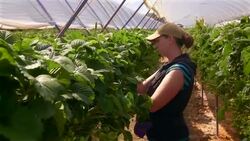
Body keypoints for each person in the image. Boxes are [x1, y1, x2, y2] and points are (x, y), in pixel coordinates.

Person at [135, 23, 197, 141]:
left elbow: (152, 105)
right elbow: (142, 87)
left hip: (170, 135)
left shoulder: (178, 70)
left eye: (157, 41)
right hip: (159, 134)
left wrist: (122, 105)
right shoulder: (168, 65)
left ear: (170, 39)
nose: (154, 45)